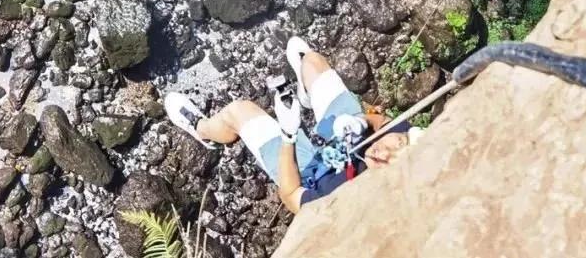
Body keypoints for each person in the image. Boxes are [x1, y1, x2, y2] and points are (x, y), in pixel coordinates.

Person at [165, 38, 412, 214]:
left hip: (307, 172)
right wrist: (362, 122)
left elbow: (291, 195)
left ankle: (202, 130)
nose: (383, 153)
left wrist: (288, 134)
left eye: (387, 163)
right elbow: (384, 123)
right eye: (396, 146)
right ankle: (306, 95)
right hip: (349, 133)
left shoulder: (338, 205)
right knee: (312, 61)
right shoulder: (409, 147)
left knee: (238, 111)